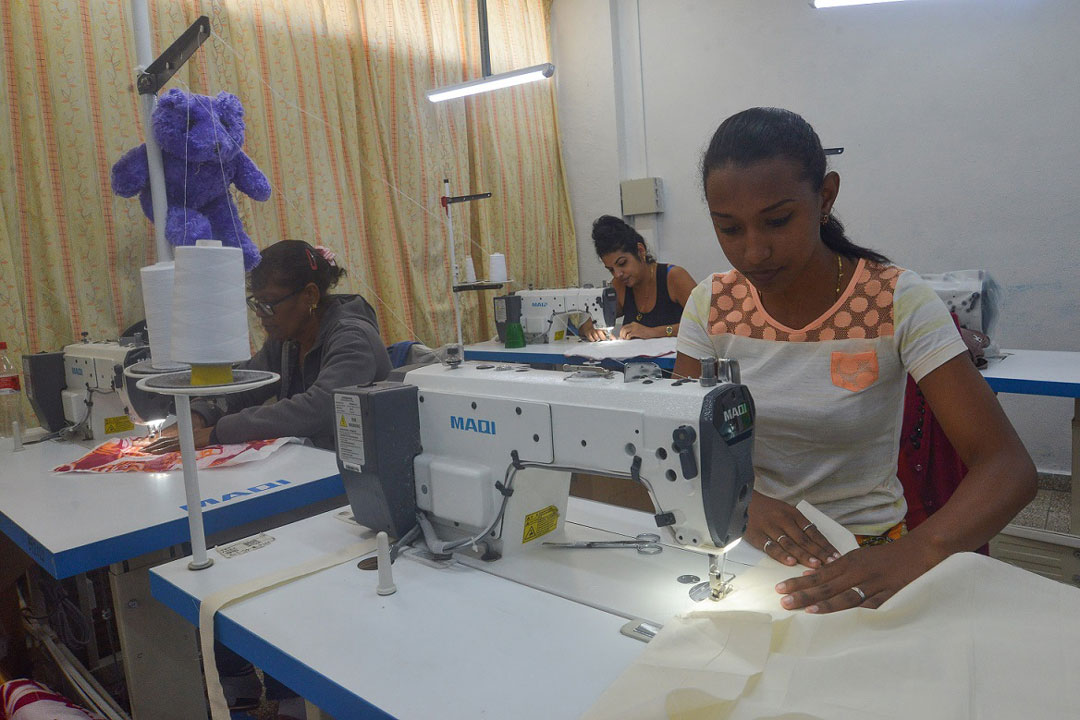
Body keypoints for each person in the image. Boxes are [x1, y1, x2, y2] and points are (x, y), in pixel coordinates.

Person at [674, 107, 1036, 614]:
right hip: (747, 545)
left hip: (870, 550)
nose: (754, 251)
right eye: (729, 229)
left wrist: (917, 551)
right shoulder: (711, 305)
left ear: (825, 197)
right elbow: (682, 447)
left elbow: (1008, 466)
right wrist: (743, 502)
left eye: (777, 221)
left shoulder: (894, 300)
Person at [147, 239, 391, 453]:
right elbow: (246, 387)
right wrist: (199, 415)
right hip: (315, 460)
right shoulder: (287, 341)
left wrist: (218, 431)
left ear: (310, 295)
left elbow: (319, 409)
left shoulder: (353, 339)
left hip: (362, 469)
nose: (261, 316)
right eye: (257, 305)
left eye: (269, 304)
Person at [578, 215, 696, 341]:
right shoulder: (619, 286)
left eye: (622, 263)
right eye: (611, 269)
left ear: (640, 250)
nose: (617, 274)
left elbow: (710, 324)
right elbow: (585, 326)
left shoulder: (674, 277)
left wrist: (653, 332)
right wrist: (590, 329)